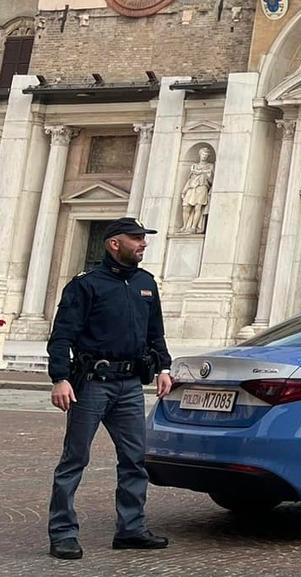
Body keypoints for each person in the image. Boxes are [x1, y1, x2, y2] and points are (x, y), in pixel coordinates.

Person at [47, 217, 173, 560]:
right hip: (92, 385)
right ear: (114, 243)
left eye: (143, 237)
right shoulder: (85, 285)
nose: (143, 243)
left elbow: (155, 332)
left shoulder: (146, 283)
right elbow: (62, 336)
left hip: (130, 385)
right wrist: (60, 378)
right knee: (75, 459)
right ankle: (63, 533)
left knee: (135, 458)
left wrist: (164, 367)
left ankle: (131, 529)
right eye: (136, 238)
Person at [180, 147, 214, 234]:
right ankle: (185, 226)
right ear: (200, 154)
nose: (204, 156)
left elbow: (211, 181)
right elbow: (189, 179)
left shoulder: (210, 166)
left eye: (206, 155)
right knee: (186, 207)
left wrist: (204, 174)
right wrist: (184, 190)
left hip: (202, 187)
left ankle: (193, 227)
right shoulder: (194, 166)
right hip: (192, 188)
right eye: (203, 154)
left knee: (198, 207)